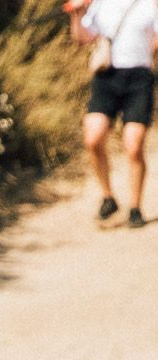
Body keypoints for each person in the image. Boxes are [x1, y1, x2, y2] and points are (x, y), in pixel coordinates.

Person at [68, 0, 158, 227]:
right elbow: (83, 38)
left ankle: (135, 208)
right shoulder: (100, 3)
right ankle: (108, 198)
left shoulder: (150, 4)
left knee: (133, 145)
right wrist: (77, 13)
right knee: (93, 138)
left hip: (139, 78)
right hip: (107, 76)